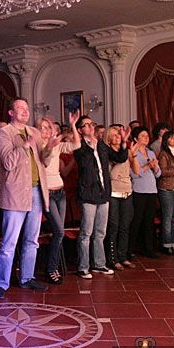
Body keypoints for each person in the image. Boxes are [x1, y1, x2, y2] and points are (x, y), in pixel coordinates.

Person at [0, 98, 50, 299]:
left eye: (27, 108)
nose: (25, 111)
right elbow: (7, 162)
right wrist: (25, 145)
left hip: (36, 190)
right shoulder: (4, 132)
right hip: (16, 192)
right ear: (11, 112)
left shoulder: (34, 132)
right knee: (9, 242)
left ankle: (27, 277)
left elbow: (43, 161)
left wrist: (50, 147)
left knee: (32, 240)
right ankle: (0, 283)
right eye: (20, 108)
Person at [74, 116, 129, 279]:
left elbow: (120, 157)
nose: (91, 127)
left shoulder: (102, 145)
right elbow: (83, 162)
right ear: (80, 130)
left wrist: (124, 142)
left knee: (100, 232)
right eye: (86, 125)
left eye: (92, 124)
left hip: (103, 192)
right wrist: (89, 143)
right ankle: (83, 267)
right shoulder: (80, 146)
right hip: (88, 193)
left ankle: (99, 264)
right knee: (86, 233)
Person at [36, 113, 80, 284]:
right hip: (47, 192)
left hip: (60, 192)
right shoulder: (37, 145)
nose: (47, 130)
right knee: (60, 231)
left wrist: (73, 125)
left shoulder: (57, 145)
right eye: (43, 128)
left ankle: (53, 267)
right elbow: (45, 161)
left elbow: (76, 145)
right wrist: (50, 145)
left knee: (58, 233)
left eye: (49, 127)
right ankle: (50, 269)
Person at [105, 125, 140, 270]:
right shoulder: (107, 152)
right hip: (113, 192)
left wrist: (133, 154)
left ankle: (123, 256)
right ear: (108, 138)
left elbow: (136, 171)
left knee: (125, 226)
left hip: (127, 191)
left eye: (119, 134)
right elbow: (112, 173)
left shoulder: (126, 151)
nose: (117, 137)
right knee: (113, 227)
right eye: (114, 135)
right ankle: (112, 259)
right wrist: (125, 152)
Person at [128, 126, 161, 259]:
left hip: (152, 190)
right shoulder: (132, 152)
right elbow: (134, 174)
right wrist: (147, 166)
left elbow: (158, 174)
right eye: (143, 136)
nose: (146, 138)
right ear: (136, 139)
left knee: (149, 221)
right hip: (139, 190)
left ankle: (148, 249)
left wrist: (156, 166)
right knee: (136, 221)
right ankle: (129, 250)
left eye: (147, 136)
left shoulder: (151, 152)